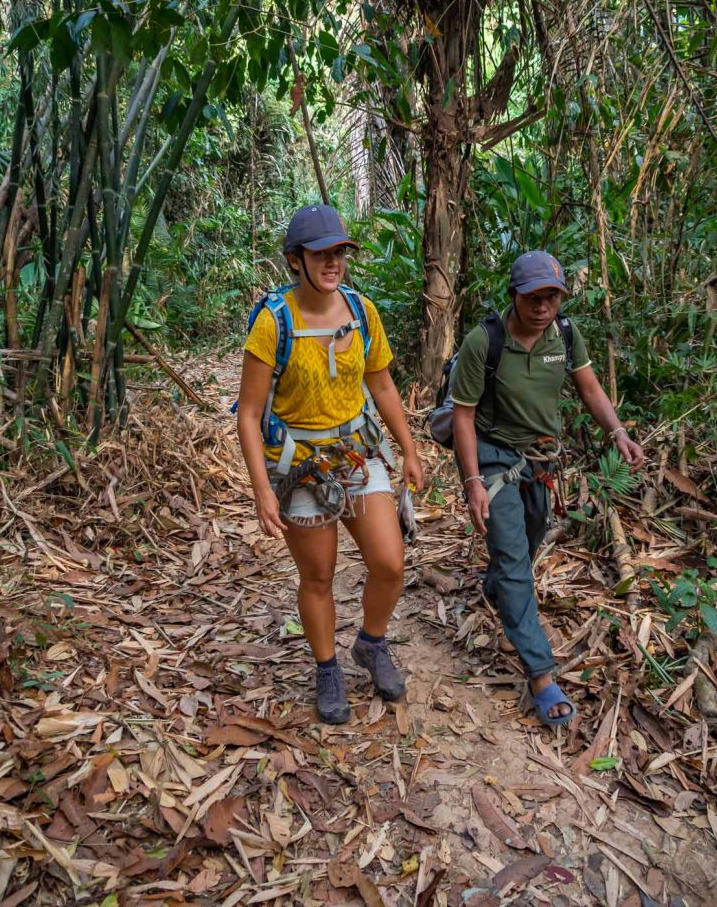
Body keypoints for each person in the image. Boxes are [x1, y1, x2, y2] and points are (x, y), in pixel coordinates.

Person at [236, 204, 424, 725]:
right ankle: (327, 669)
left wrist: (408, 449)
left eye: (339, 252)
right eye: (321, 254)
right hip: (300, 466)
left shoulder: (362, 311)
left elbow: (381, 384)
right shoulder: (274, 322)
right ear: (295, 261)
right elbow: (248, 415)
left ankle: (371, 642)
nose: (333, 262)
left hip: (357, 455)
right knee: (318, 576)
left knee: (389, 562)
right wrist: (262, 490)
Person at [452, 251, 644, 726]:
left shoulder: (566, 334)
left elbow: (590, 388)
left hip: (541, 459)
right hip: (495, 457)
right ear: (514, 295)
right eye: (533, 296)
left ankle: (496, 585)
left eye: (552, 296)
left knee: (532, 534)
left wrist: (617, 431)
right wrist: (472, 480)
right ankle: (540, 672)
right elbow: (464, 415)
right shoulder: (484, 342)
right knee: (516, 559)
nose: (543, 306)